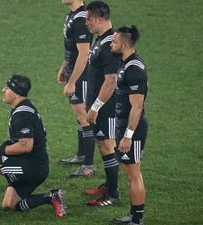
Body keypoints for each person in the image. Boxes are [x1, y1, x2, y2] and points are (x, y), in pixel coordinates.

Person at [0, 74, 67, 217]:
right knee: (9, 205)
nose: (3, 90)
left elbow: (25, 146)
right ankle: (51, 197)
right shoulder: (24, 108)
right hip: (35, 165)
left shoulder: (22, 114)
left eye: (7, 88)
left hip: (31, 167)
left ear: (16, 92)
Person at [75, 1, 121, 207]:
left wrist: (95, 107)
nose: (86, 22)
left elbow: (111, 80)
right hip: (99, 104)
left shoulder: (111, 43)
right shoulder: (102, 40)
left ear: (101, 18)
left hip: (108, 106)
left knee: (108, 145)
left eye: (89, 19)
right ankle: (109, 187)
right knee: (102, 145)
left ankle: (113, 194)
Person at [110, 26, 149, 225]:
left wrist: (128, 135)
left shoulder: (134, 68)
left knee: (134, 176)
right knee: (129, 175)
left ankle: (137, 219)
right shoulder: (125, 63)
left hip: (131, 129)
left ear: (125, 45)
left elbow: (137, 107)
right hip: (124, 126)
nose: (111, 44)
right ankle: (134, 216)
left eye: (114, 42)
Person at [58, 0, 94, 167]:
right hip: (74, 71)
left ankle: (88, 165)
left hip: (82, 75)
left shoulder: (80, 18)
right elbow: (72, 48)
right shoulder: (72, 15)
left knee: (84, 117)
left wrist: (72, 81)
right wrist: (65, 66)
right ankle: (81, 155)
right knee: (79, 116)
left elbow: (84, 53)